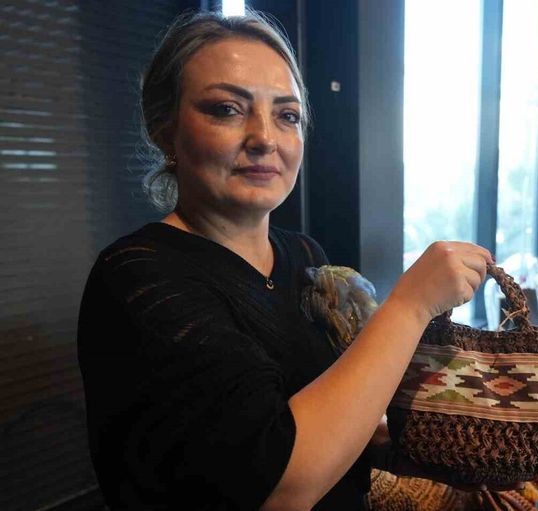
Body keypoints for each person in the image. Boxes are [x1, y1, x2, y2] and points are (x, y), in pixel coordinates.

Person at [76, 12, 497, 510]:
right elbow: (280, 487)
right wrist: (410, 306)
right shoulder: (138, 278)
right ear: (165, 131)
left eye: (287, 115)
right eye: (227, 109)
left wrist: (424, 454)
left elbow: (330, 420)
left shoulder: (303, 256)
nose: (264, 138)